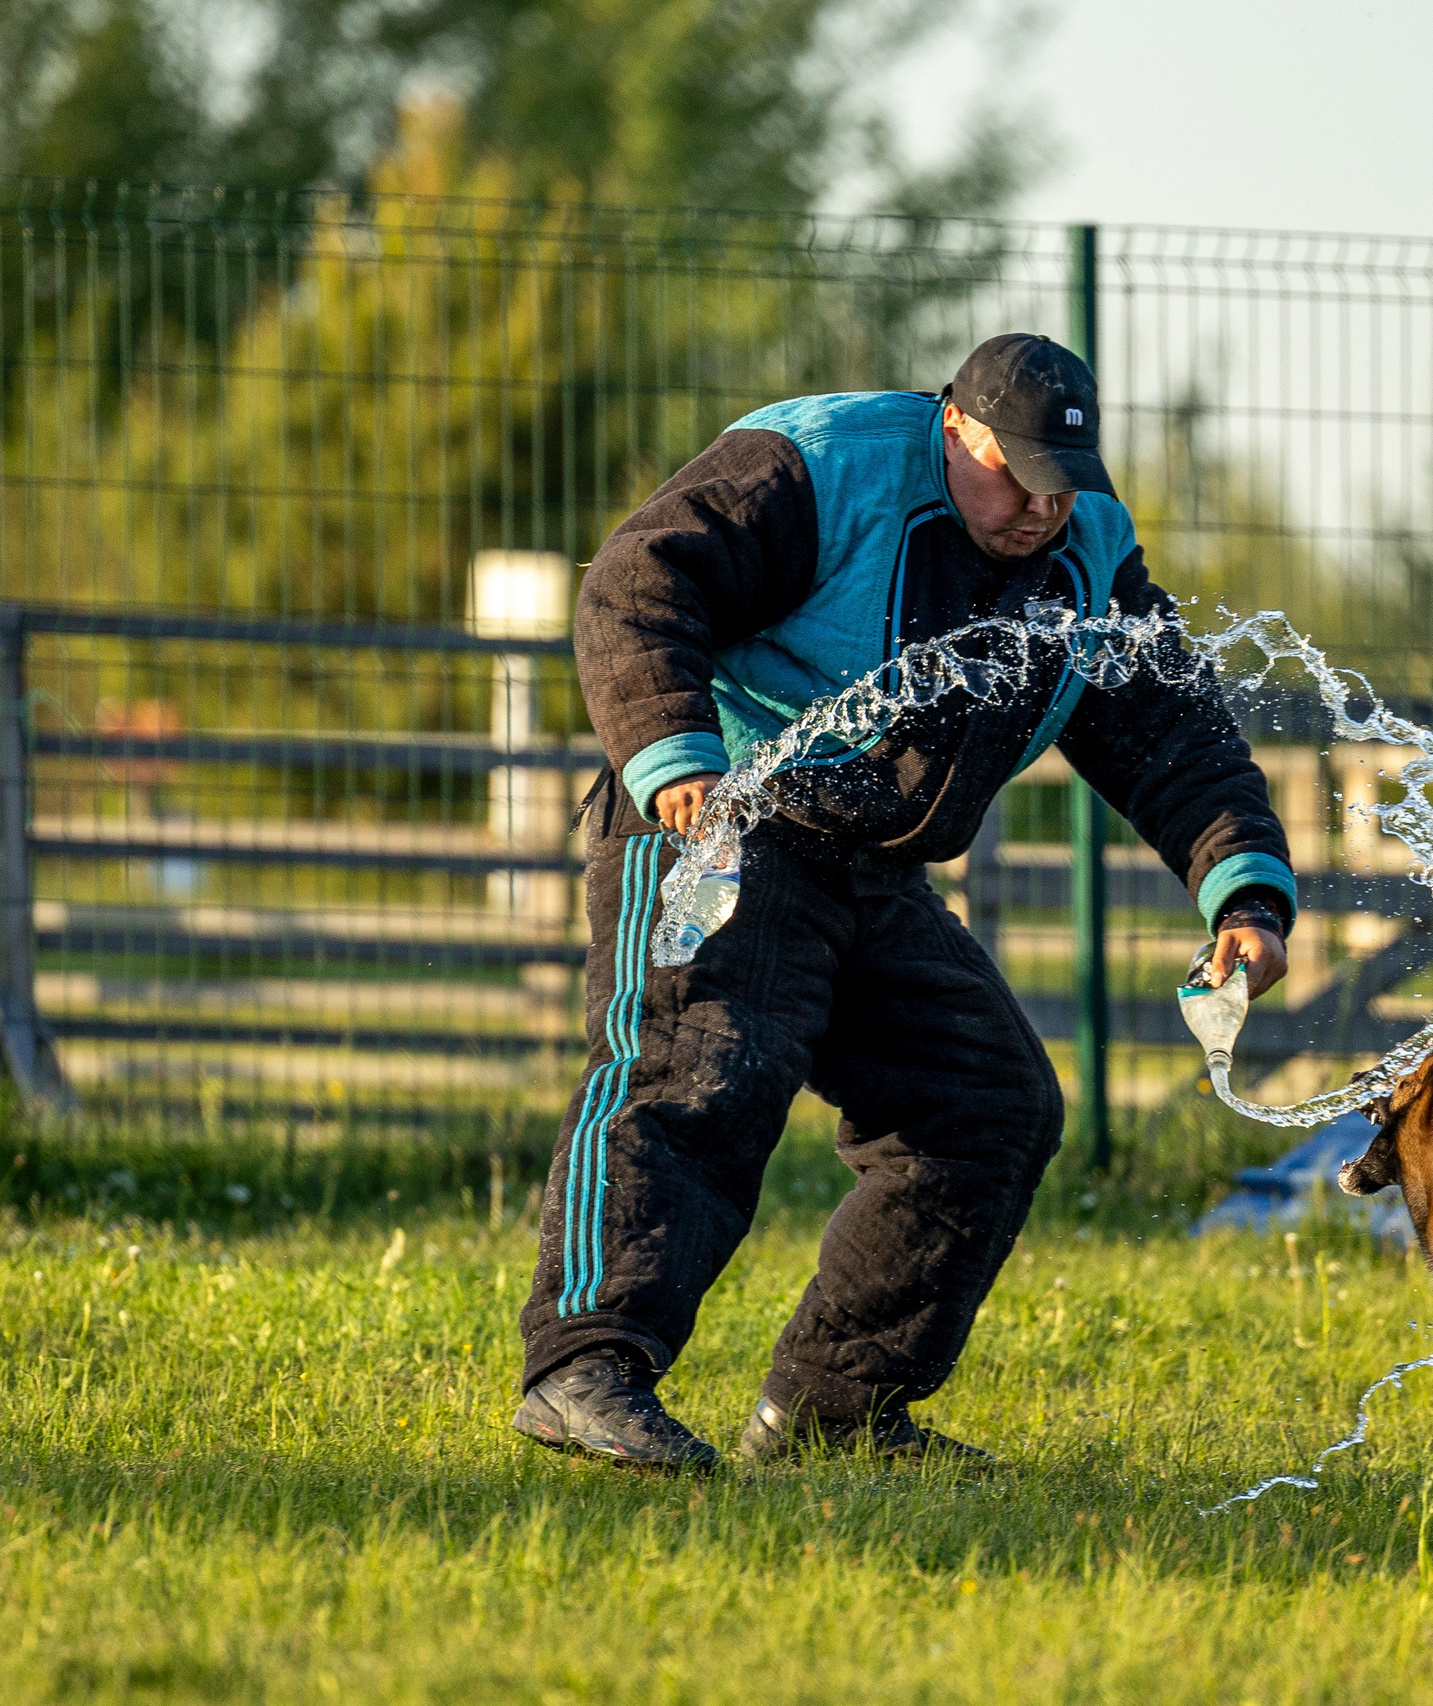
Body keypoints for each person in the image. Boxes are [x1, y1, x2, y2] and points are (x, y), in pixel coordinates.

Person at [510, 333, 1295, 1473]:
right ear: (954, 427)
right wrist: (675, 759)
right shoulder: (819, 465)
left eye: (1063, 484)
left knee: (986, 1102)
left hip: (867, 864)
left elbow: (1171, 730)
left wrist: (1244, 893)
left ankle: (834, 1414)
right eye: (1016, 477)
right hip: (714, 820)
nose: (1041, 508)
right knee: (701, 1068)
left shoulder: (1089, 556)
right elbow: (637, 581)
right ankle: (584, 1366)